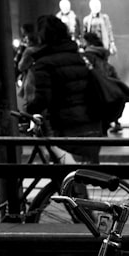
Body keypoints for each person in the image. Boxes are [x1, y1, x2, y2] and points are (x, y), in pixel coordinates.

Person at [24, 15, 102, 164]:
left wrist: (27, 112)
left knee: (67, 178)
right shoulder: (81, 58)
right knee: (83, 176)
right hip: (92, 124)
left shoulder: (44, 63)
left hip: (66, 128)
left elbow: (42, 99)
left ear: (41, 37)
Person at [81, 31, 125, 133]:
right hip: (107, 100)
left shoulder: (86, 58)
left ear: (88, 43)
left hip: (93, 100)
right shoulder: (104, 59)